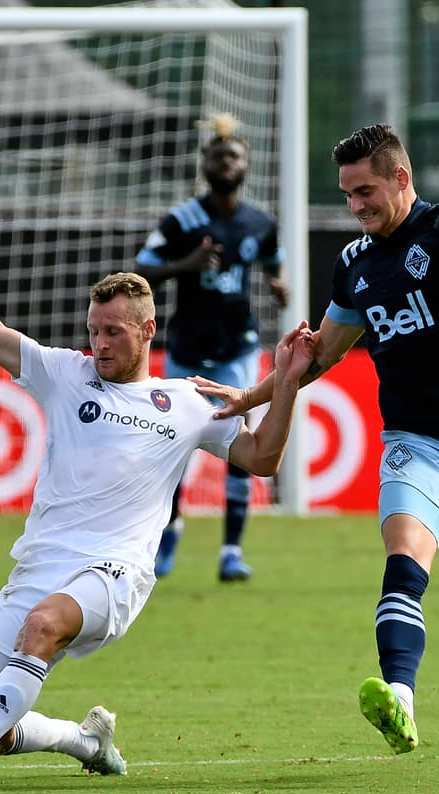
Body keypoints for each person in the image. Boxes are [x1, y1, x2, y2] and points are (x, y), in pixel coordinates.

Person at [0, 181, 312, 792]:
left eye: (113, 333)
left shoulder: (185, 400)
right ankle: (82, 739)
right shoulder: (65, 371)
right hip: (40, 562)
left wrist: (283, 385)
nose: (98, 343)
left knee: (40, 630)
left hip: (116, 569)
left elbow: (261, 459)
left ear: (148, 329)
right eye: (94, 330)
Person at [196, 124, 439, 756]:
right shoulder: (355, 265)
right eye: (347, 195)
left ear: (400, 178)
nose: (356, 206)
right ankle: (401, 696)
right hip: (415, 439)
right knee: (403, 561)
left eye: (365, 191)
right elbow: (321, 356)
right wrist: (251, 397)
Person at [133, 113, 289, 582]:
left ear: (247, 164)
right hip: (187, 347)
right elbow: (142, 270)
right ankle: (171, 529)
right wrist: (188, 263)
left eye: (234, 155)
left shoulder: (260, 222)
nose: (226, 162)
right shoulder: (183, 221)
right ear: (204, 163)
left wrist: (278, 286)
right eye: (218, 155)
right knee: (173, 442)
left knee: (242, 439)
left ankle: (231, 551)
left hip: (237, 348)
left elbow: (272, 264)